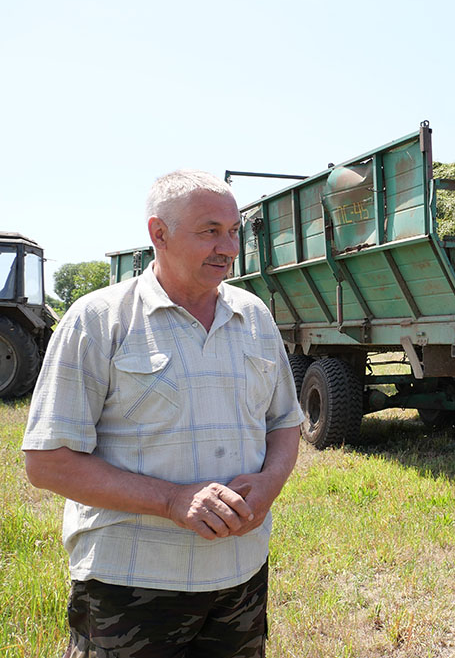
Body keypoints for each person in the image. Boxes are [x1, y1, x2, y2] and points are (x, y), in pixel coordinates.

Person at [22, 169, 303, 657]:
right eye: (210, 231)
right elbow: (47, 462)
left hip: (241, 577)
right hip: (132, 583)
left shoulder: (254, 316)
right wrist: (173, 501)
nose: (229, 247)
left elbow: (284, 422)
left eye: (234, 231)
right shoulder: (98, 321)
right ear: (159, 234)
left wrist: (271, 483)